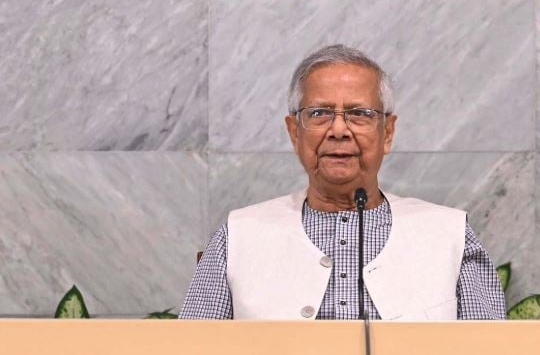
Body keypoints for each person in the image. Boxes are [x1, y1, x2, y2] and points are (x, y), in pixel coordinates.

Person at [180, 45, 506, 320]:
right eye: (319, 113)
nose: (338, 130)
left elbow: (493, 349)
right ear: (294, 132)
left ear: (387, 132)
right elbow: (191, 349)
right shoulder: (239, 235)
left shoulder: (449, 234)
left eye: (359, 114)